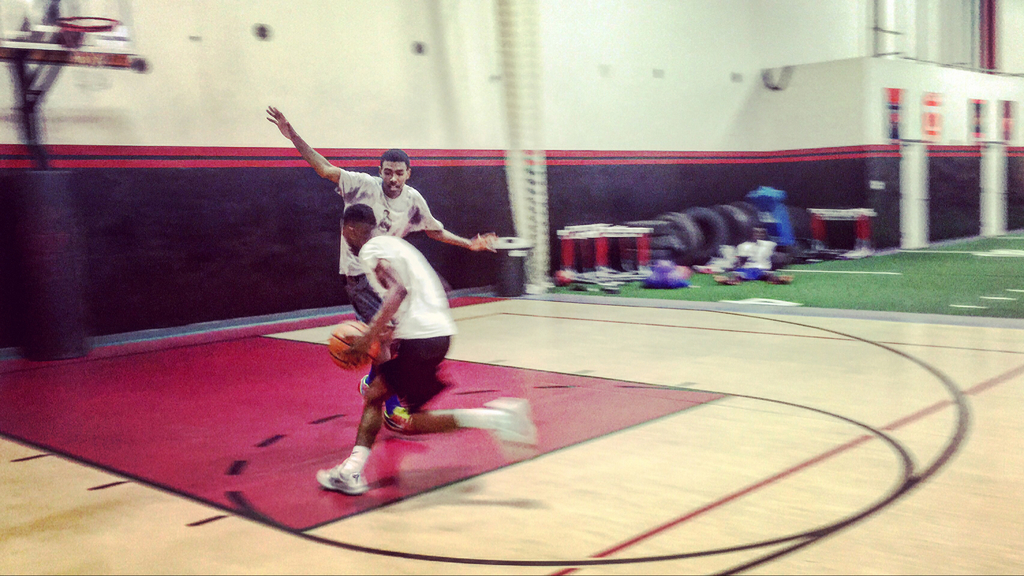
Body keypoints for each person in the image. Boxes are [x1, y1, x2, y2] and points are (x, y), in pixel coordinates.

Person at [266, 106, 498, 392]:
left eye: (399, 173)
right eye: (388, 172)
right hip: (360, 276)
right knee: (385, 337)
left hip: (389, 278)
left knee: (401, 336)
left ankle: (373, 383)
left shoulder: (413, 200)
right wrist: (291, 134)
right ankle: (386, 401)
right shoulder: (362, 185)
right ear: (380, 172)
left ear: (408, 173)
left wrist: (469, 243)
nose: (393, 179)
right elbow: (324, 169)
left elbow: (433, 230)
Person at [316, 205, 536, 495]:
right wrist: (392, 332)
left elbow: (398, 290)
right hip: (439, 335)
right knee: (409, 421)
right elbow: (440, 287)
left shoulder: (370, 251)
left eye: (344, 232)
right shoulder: (399, 247)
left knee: (374, 396)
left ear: (350, 229)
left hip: (421, 337)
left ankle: (350, 472)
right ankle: (497, 419)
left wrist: (367, 336)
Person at [713, 227, 794, 285]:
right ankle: (730, 280)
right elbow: (740, 262)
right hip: (747, 269)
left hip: (763, 269)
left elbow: (778, 257)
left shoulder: (771, 245)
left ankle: (777, 279)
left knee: (767, 275)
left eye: (761, 233)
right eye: (757, 232)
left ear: (765, 234)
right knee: (739, 275)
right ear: (752, 234)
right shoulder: (744, 245)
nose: (759, 234)